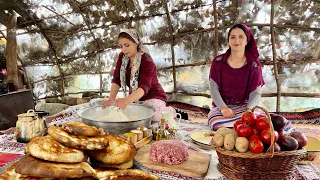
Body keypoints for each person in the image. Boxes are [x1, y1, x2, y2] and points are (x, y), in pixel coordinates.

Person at [102, 29, 175, 122]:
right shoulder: (122, 57)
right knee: (121, 112)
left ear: (136, 43)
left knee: (154, 116)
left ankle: (171, 111)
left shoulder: (147, 61)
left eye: (127, 45)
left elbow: (144, 87)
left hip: (153, 96)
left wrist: (127, 100)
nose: (123, 49)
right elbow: (117, 79)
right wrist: (111, 98)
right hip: (135, 98)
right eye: (121, 46)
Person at [208, 24, 265, 130]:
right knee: (214, 121)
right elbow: (213, 89)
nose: (236, 40)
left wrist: (248, 112)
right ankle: (242, 128)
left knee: (261, 119)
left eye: (241, 37)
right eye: (232, 37)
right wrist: (223, 108)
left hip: (246, 107)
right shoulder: (218, 62)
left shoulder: (254, 65)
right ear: (228, 41)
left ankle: (238, 127)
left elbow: (256, 93)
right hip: (222, 108)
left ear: (247, 40)